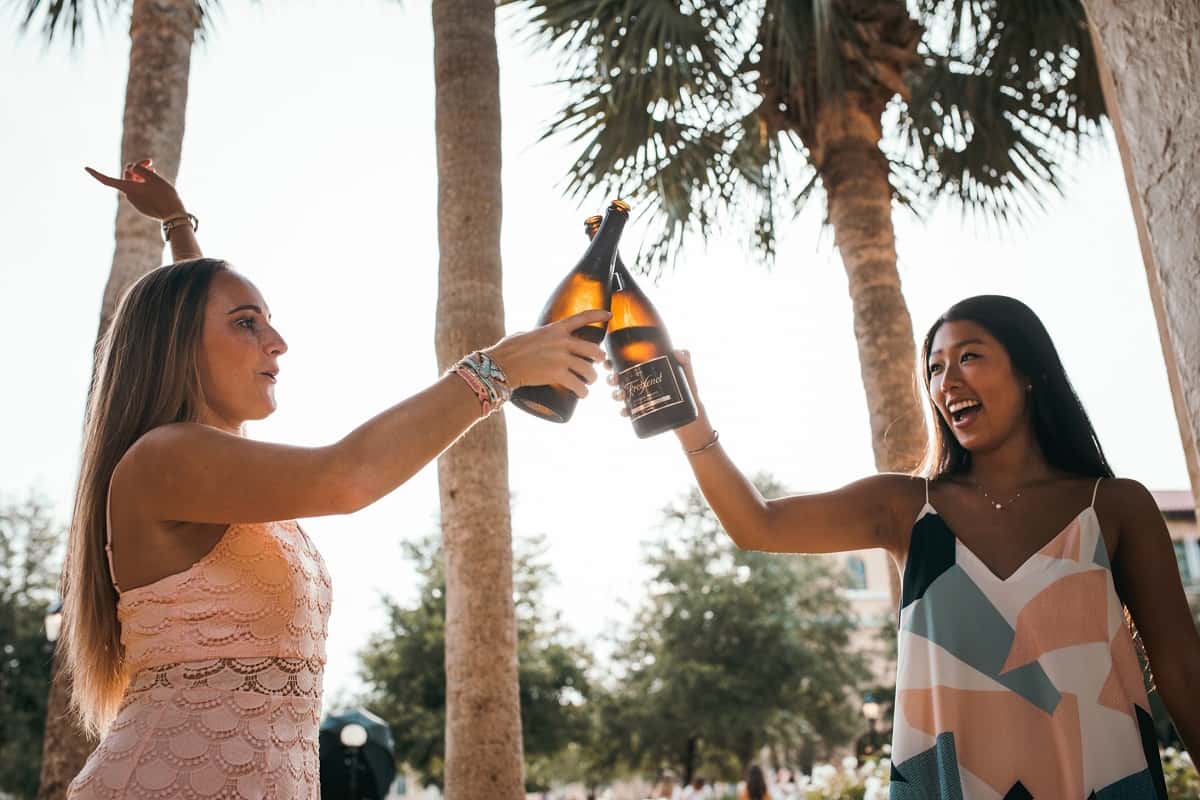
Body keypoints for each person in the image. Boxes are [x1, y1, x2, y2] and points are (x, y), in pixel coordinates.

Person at [64, 160, 609, 799]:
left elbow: (196, 320)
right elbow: (348, 477)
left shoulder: (209, 470)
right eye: (249, 323)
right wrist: (496, 369)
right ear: (176, 344)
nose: (278, 341)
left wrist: (179, 225)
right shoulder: (165, 458)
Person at [612, 295, 1200, 798]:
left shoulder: (1115, 507)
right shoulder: (905, 507)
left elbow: (1182, 673)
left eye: (969, 356)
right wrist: (689, 420)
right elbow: (756, 525)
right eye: (935, 368)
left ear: (1031, 373)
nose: (948, 382)